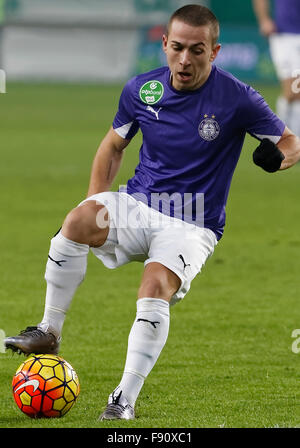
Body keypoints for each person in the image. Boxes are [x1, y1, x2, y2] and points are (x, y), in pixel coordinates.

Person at [5, 4, 300, 420]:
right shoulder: (142, 90)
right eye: (177, 47)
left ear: (215, 52)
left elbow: (290, 141)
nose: (185, 59)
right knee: (75, 221)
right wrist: (96, 202)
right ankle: (48, 331)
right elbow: (113, 146)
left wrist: (278, 158)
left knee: (153, 286)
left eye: (197, 50)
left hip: (192, 222)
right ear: (164, 45)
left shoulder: (238, 97)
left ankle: (122, 399)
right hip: (139, 205)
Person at [252, 0, 300, 137]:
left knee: (295, 92)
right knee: (293, 90)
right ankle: (283, 134)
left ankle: (289, 138)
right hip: (284, 36)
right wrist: (264, 20)